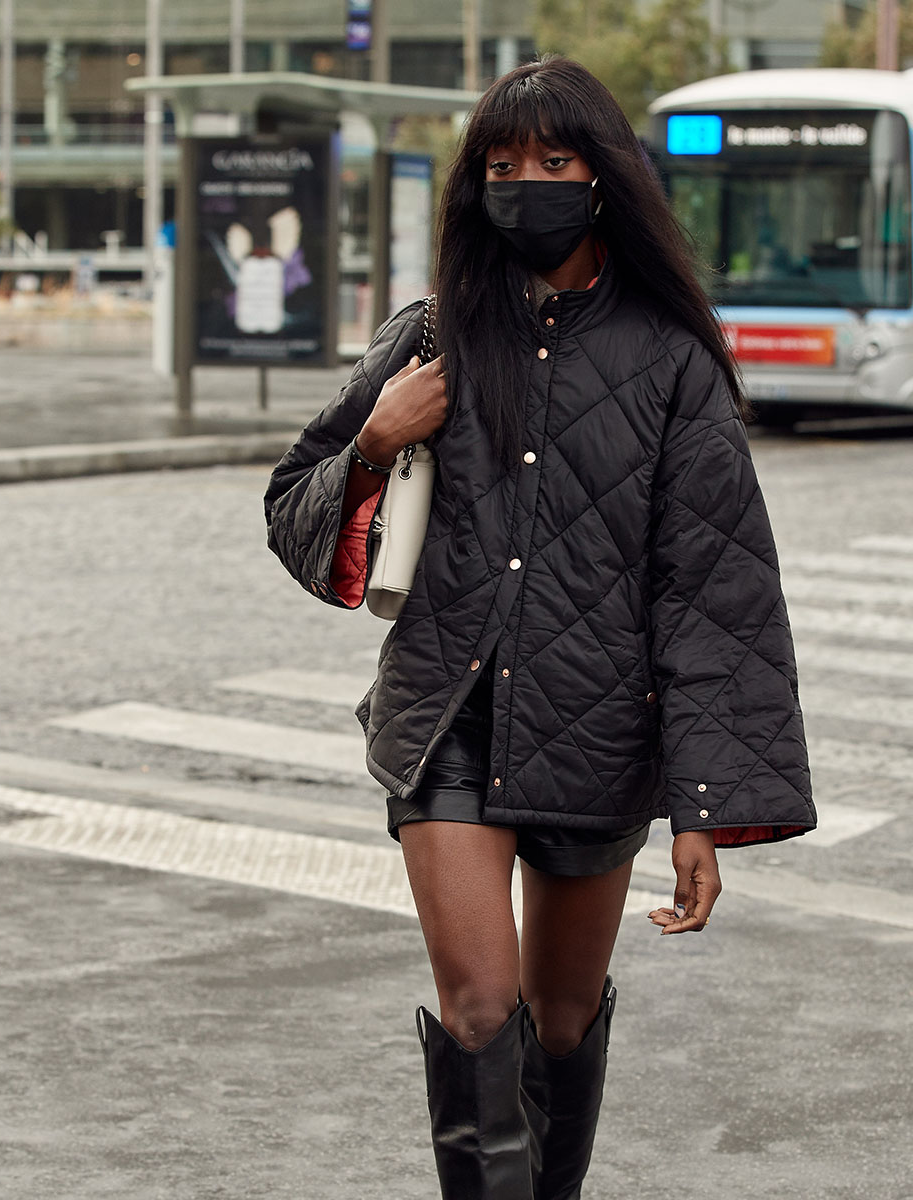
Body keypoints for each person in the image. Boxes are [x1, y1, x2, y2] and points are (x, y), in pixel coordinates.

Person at [264, 56, 815, 1200]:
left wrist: (704, 810)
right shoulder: (430, 336)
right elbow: (292, 501)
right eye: (502, 164)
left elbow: (714, 590)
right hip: (447, 722)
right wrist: (374, 434)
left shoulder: (672, 362)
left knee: (559, 1028)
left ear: (602, 177)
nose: (527, 182)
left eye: (554, 161)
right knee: (479, 1010)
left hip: (599, 731)